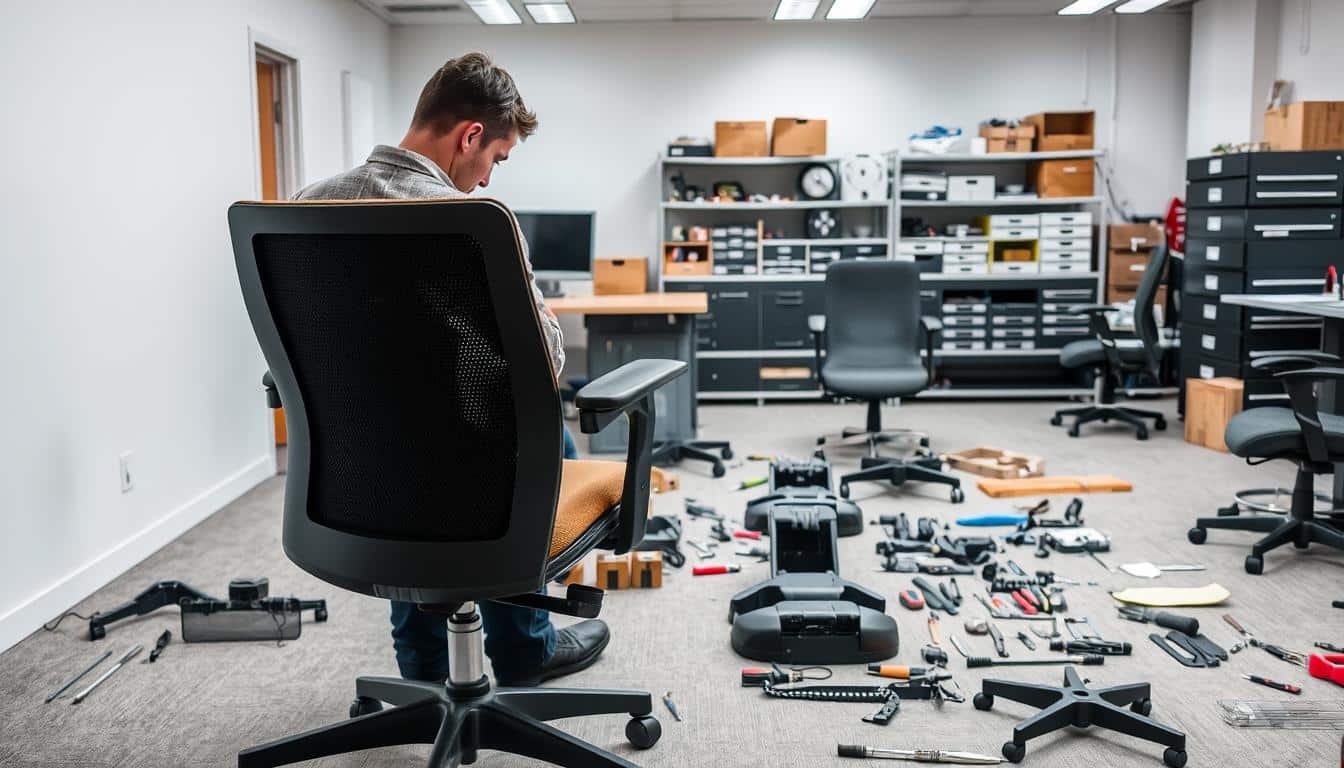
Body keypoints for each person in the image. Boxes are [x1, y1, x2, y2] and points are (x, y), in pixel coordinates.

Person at [294, 52, 606, 687]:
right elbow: (545, 360)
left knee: (408, 449)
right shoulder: (473, 224)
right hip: (469, 484)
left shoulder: (307, 206)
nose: (488, 180)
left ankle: (423, 668)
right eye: (496, 157)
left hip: (354, 475)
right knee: (540, 435)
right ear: (470, 136)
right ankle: (525, 650)